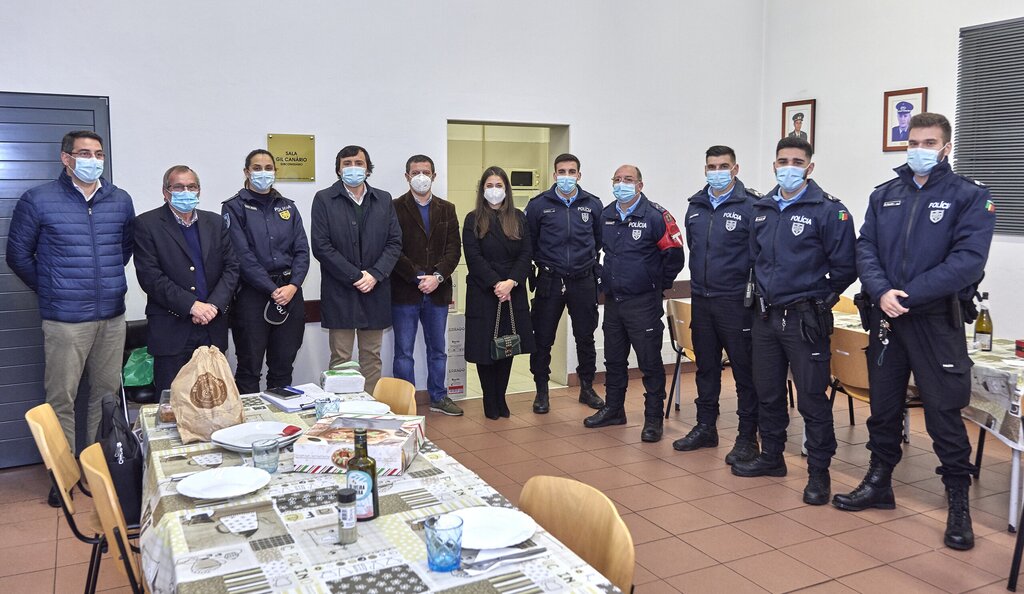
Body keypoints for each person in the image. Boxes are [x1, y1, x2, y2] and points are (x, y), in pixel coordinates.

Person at [833, 112, 996, 551]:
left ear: (946, 147)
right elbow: (865, 248)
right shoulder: (885, 194)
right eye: (913, 142)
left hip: (934, 320)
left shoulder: (969, 196)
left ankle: (958, 502)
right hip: (886, 317)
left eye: (929, 142)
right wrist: (881, 291)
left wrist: (909, 295)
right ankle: (878, 482)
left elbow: (968, 261)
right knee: (884, 406)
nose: (919, 149)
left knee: (943, 412)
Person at [6, 130, 135, 506]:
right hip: (65, 319)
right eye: (84, 153)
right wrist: (51, 288)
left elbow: (124, 249)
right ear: (66, 158)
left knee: (105, 396)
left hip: (112, 316)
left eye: (98, 153)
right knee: (61, 398)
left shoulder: (120, 200)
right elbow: (18, 255)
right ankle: (62, 477)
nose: (93, 160)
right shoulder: (38, 199)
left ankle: (95, 469)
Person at [731, 137, 856, 508]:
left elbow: (846, 267)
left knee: (812, 398)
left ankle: (819, 472)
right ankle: (772, 456)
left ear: (809, 167)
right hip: (766, 317)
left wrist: (820, 299)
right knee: (768, 392)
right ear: (774, 166)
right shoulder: (762, 208)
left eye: (797, 162)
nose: (789, 167)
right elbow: (755, 258)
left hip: (804, 319)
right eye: (783, 161)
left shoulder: (829, 211)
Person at [583, 164, 685, 442]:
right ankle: (614, 409)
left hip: (644, 303)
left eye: (628, 179)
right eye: (617, 179)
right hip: (614, 302)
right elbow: (597, 251)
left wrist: (656, 284)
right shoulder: (606, 214)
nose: (622, 184)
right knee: (614, 360)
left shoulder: (656, 216)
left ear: (640, 185)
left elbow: (675, 256)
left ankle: (653, 419)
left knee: (649, 362)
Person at [672, 146, 760, 464]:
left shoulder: (752, 205)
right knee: (706, 369)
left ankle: (747, 438)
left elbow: (760, 255)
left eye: (724, 166)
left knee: (744, 373)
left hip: (736, 303)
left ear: (735, 169)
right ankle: (706, 427)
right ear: (705, 169)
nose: (717, 171)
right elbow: (695, 249)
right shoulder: (695, 205)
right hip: (702, 300)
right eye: (712, 166)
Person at [134, 166, 239, 393]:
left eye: (191, 187)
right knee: (172, 402)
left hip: (212, 327)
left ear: (199, 191)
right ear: (165, 192)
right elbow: (150, 277)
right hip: (171, 331)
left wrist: (213, 306)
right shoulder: (147, 224)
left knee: (215, 399)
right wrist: (192, 305)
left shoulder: (215, 222)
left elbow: (231, 268)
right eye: (179, 187)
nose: (186, 192)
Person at [311, 145, 401, 395]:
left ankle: (369, 407)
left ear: (368, 168)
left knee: (372, 356)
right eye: (347, 163)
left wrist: (374, 275)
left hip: (375, 290)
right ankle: (341, 409)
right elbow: (321, 246)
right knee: (341, 358)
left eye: (359, 163)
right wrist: (356, 276)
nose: (353, 168)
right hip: (340, 291)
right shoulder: (324, 199)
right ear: (338, 169)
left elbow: (394, 242)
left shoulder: (383, 199)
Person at [222, 149, 310, 394]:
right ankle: (250, 418)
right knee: (249, 368)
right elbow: (242, 256)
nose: (263, 173)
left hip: (290, 294)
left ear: (275, 171)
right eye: (257, 168)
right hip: (253, 295)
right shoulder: (233, 207)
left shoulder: (288, 207)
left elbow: (302, 251)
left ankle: (280, 416)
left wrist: (293, 286)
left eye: (268, 168)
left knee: (283, 367)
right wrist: (272, 289)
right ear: (246, 172)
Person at [524, 153, 605, 414]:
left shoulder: (593, 204)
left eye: (571, 172)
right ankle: (542, 391)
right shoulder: (538, 205)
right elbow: (530, 242)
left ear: (579, 175)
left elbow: (599, 240)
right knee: (542, 338)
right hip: (550, 280)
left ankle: (587, 388)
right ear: (554, 174)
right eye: (562, 172)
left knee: (585, 337)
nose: (566, 176)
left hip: (583, 280)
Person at [391, 154, 464, 416]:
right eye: (415, 172)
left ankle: (439, 397)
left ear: (434, 176)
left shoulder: (447, 209)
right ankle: (405, 402)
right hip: (405, 291)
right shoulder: (394, 207)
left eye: (426, 172)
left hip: (438, 291)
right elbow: (393, 249)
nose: (421, 177)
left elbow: (454, 249)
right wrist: (417, 276)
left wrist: (437, 277)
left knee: (438, 350)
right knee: (403, 352)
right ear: (407, 176)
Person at [462, 167, 535, 420]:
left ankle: (501, 396)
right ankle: (489, 399)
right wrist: (496, 283)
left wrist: (511, 282)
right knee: (485, 348)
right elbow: (473, 256)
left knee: (507, 346)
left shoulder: (519, 217)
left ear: (507, 189)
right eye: (489, 185)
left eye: (499, 185)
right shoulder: (473, 219)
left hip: (512, 291)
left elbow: (527, 253)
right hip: (484, 291)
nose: (494, 190)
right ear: (482, 189)